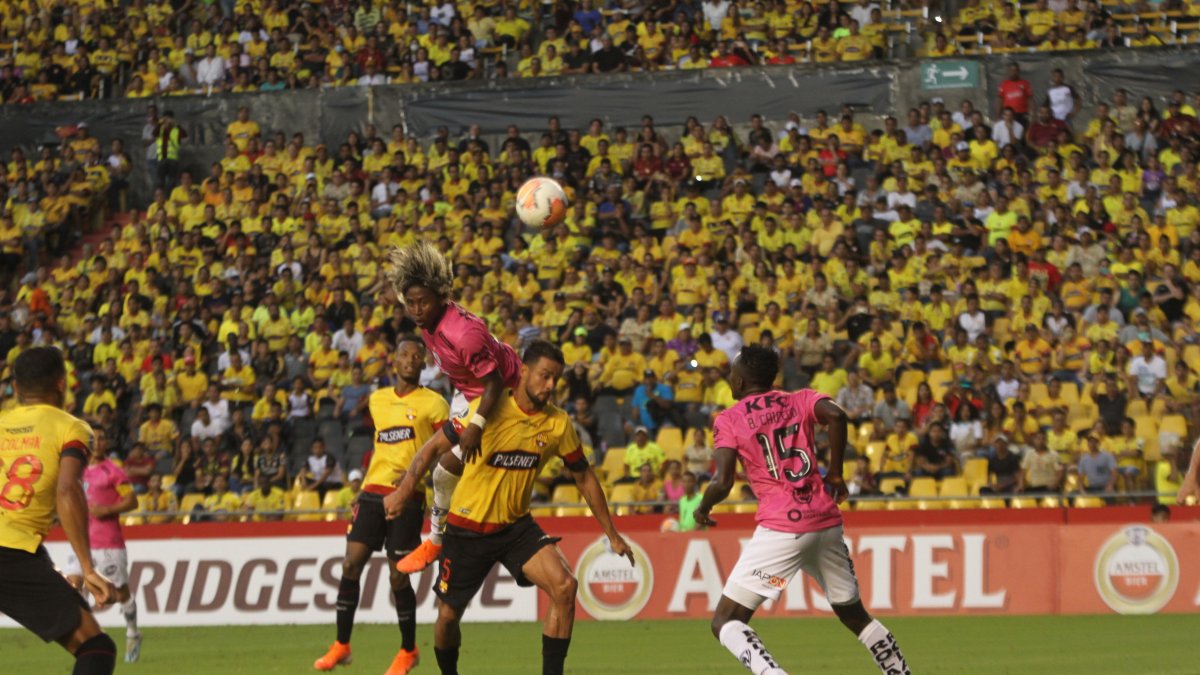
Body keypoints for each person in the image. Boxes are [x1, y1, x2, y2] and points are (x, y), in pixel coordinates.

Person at [383, 340, 634, 675]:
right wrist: (403, 492)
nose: (550, 385)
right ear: (524, 371)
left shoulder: (558, 424)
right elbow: (431, 449)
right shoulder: (486, 411)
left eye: (555, 379)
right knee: (446, 617)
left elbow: (584, 477)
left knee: (565, 586)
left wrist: (612, 533)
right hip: (466, 529)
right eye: (545, 376)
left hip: (515, 528)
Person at [695, 345, 911, 675]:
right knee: (854, 615)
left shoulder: (730, 419)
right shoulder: (799, 399)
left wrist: (703, 507)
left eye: (731, 373)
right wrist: (835, 473)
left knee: (725, 620)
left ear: (739, 382)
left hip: (782, 527)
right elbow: (837, 416)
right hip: (825, 520)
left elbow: (723, 482)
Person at [385, 241, 524, 575]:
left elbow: (493, 384)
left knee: (443, 465)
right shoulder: (426, 323)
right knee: (443, 469)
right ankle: (439, 537)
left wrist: (475, 424)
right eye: (411, 302)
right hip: (471, 391)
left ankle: (438, 539)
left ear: (441, 296)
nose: (417, 309)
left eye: (424, 301)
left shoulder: (462, 332)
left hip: (506, 393)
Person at [314, 336, 449, 674]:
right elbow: (383, 446)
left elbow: (444, 455)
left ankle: (408, 651)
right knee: (350, 564)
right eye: (405, 354)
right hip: (372, 492)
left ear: (423, 364)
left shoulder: (434, 403)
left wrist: (417, 475)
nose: (411, 360)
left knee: (398, 576)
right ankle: (341, 645)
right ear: (394, 361)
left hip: (409, 495)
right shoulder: (377, 400)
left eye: (417, 356)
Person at [0, 347, 119, 674]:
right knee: (95, 646)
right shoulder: (72, 428)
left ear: (17, 388)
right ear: (63, 383)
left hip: (18, 549)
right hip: (10, 550)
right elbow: (67, 489)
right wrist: (87, 567)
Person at [61, 428, 141, 662]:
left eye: (102, 438)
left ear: (107, 443)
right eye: (92, 439)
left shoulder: (113, 471)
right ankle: (90, 641)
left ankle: (133, 632)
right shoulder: (77, 470)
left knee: (119, 594)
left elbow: (132, 500)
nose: (97, 443)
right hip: (80, 540)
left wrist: (107, 509)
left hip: (108, 542)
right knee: (73, 586)